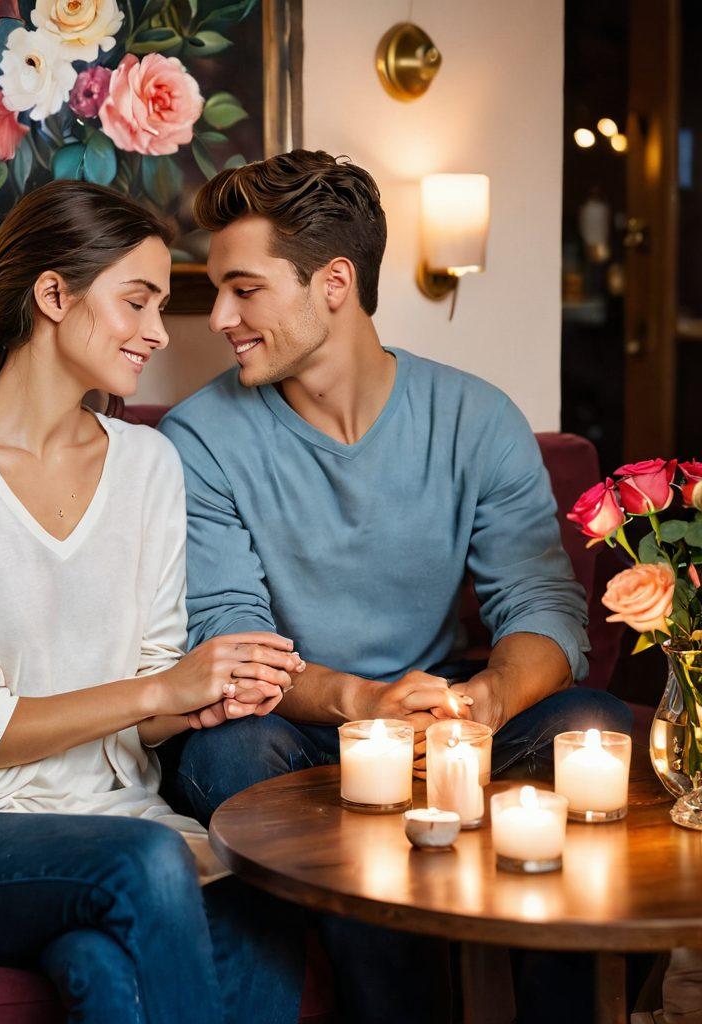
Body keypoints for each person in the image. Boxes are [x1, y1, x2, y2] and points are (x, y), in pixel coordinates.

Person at [157, 149, 635, 1022]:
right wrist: (358, 701)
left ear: (333, 282)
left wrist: (489, 698)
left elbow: (541, 604)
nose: (219, 316)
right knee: (226, 753)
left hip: (447, 719)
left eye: (244, 288)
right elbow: (229, 641)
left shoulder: (475, 417)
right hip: (301, 727)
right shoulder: (199, 439)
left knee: (594, 726)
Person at [0, 180, 307, 1024]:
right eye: (137, 301)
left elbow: (145, 699)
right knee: (146, 868)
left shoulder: (149, 465)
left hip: (109, 818)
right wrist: (162, 690)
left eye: (163, 305)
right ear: (53, 294)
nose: (160, 333)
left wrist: (200, 697)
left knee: (246, 884)